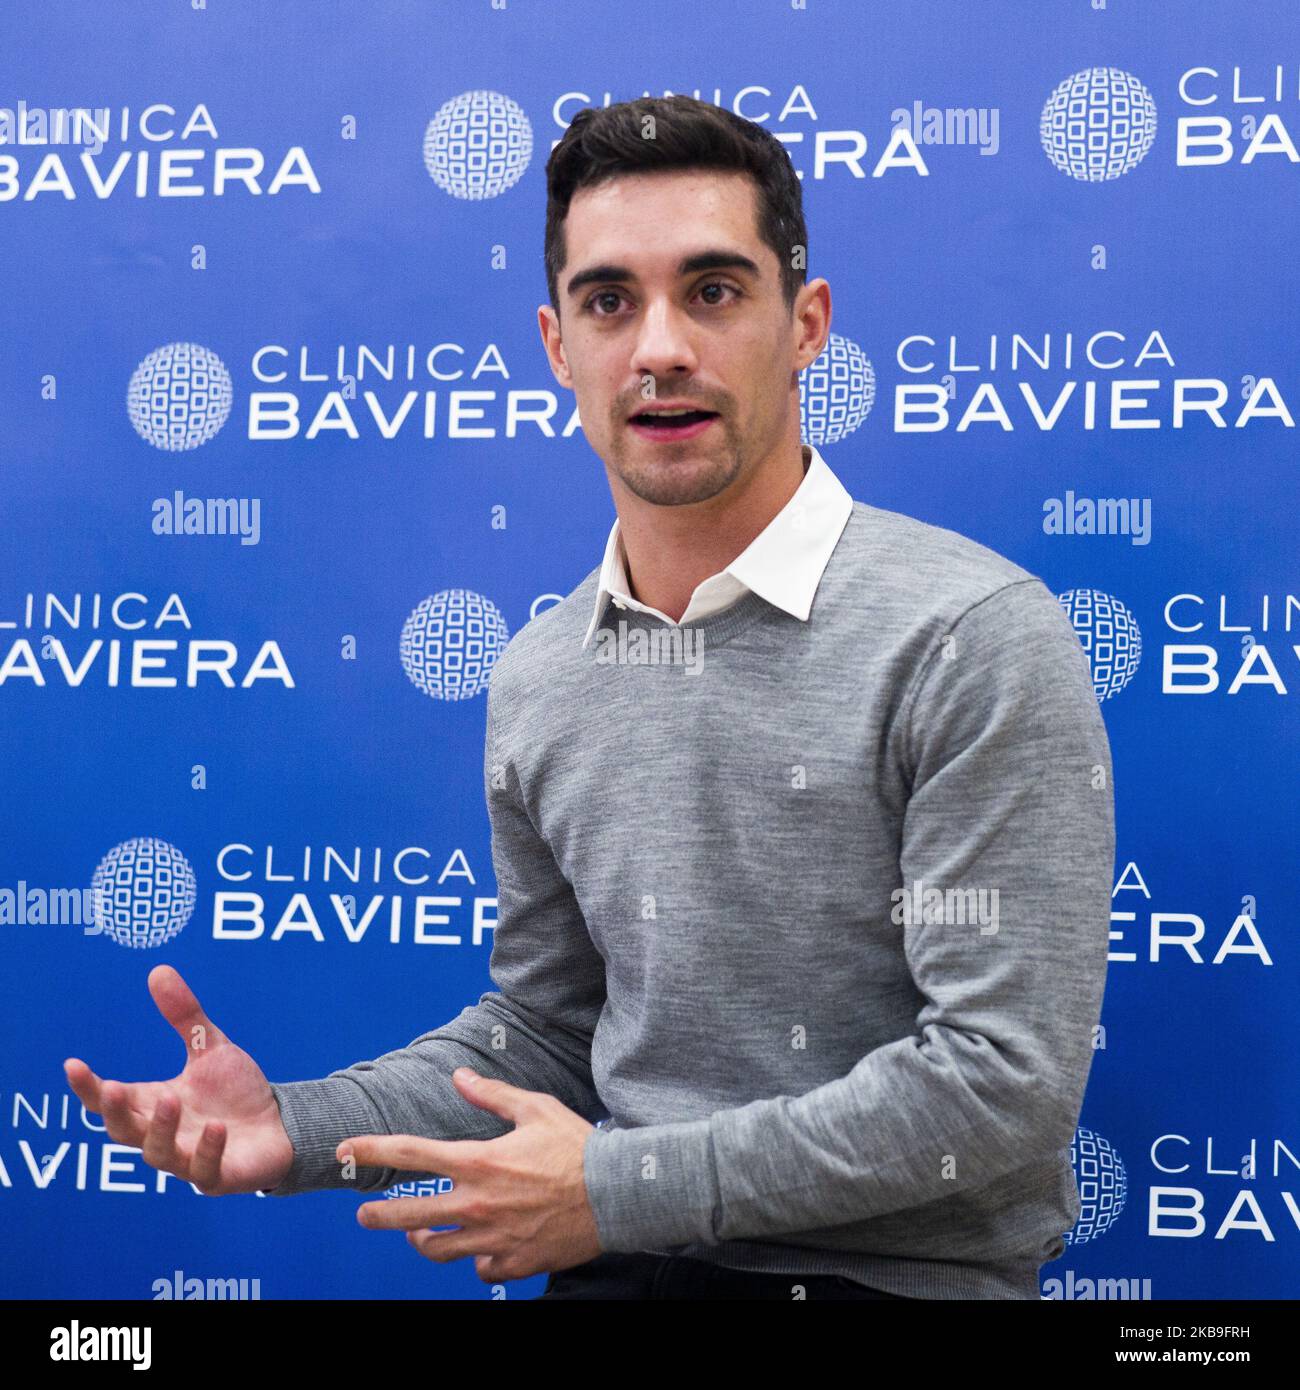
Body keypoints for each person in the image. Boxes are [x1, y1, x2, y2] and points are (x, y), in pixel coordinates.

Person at [64, 94, 1115, 1301]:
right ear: (558, 347)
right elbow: (550, 1033)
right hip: (614, 1272)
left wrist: (613, 1189)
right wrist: (291, 1129)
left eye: (713, 291)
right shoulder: (541, 674)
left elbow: (998, 1083)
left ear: (805, 324)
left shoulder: (969, 634)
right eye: (610, 301)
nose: (659, 346)